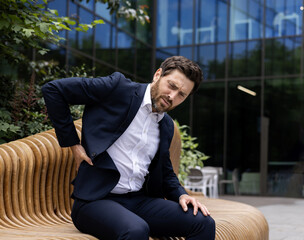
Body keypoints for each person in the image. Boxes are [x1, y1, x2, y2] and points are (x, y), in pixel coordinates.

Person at [41, 56, 215, 240]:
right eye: (171, 86)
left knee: (203, 223)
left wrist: (181, 195)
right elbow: (53, 90)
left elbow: (165, 170)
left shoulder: (166, 125)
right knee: (136, 230)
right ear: (158, 75)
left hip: (139, 202)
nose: (172, 96)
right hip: (95, 201)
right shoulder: (118, 88)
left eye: (181, 95)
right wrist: (74, 145)